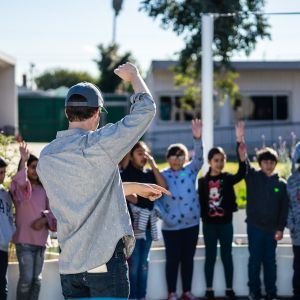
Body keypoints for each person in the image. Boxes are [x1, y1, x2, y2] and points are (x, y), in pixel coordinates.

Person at [36, 63, 164, 299]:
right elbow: (145, 111)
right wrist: (134, 76)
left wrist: (134, 187)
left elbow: (85, 194)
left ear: (67, 112)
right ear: (96, 113)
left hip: (71, 266)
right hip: (103, 262)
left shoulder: (46, 158)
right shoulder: (99, 145)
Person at [198, 122, 247, 300]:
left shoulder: (227, 178)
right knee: (210, 257)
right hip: (210, 225)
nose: (219, 163)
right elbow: (201, 203)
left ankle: (229, 288)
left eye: (222, 160)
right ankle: (209, 288)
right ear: (210, 161)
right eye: (216, 160)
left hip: (225, 224)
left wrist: (240, 146)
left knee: (227, 256)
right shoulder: (202, 182)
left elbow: (242, 173)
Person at [155, 119, 203, 300]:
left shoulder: (190, 170)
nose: (177, 159)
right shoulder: (162, 175)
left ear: (186, 157)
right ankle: (171, 293)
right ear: (167, 158)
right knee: (172, 261)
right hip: (171, 227)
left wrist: (197, 139)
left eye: (181, 155)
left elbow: (199, 158)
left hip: (191, 225)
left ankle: (187, 292)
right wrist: (166, 217)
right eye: (173, 156)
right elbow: (155, 201)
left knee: (188, 260)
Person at [240, 123, 289, 300]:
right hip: (254, 228)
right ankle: (254, 292)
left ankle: (271, 293)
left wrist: (280, 228)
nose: (268, 165)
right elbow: (243, 162)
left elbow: (284, 209)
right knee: (254, 261)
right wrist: (240, 141)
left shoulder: (281, 185)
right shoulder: (252, 177)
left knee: (270, 263)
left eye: (272, 162)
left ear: (275, 163)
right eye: (265, 162)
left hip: (272, 231)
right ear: (260, 163)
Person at [10, 141, 56, 300]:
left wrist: (44, 220)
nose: (35, 170)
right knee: (26, 280)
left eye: (38, 167)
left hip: (41, 241)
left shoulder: (44, 189)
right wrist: (23, 159)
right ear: (26, 169)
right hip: (24, 241)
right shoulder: (21, 190)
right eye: (32, 166)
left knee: (36, 281)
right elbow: (20, 181)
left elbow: (53, 211)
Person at [121, 141, 167, 300]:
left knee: (144, 264)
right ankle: (133, 297)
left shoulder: (149, 173)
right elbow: (127, 195)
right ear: (131, 156)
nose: (144, 156)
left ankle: (142, 296)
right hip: (132, 226)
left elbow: (163, 186)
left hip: (147, 226)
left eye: (146, 153)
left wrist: (154, 164)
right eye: (139, 153)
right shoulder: (126, 172)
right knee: (133, 265)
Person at [286, 141, 300, 300]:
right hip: (298, 235)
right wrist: (292, 225)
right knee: (298, 267)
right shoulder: (292, 181)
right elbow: (288, 206)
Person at [0, 157, 15, 300]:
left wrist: (10, 233)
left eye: (3, 172)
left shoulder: (5, 194)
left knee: (1, 286)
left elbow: (9, 217)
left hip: (3, 248)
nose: (2, 176)